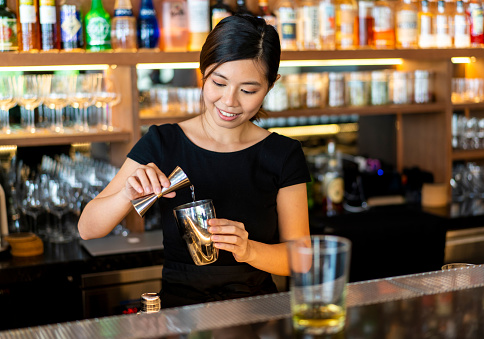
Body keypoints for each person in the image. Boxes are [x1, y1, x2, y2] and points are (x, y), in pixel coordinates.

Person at [78, 14, 311, 308]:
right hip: (179, 313)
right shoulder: (163, 142)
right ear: (202, 72)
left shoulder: (282, 154)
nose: (229, 101)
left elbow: (302, 259)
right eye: (219, 83)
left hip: (256, 315)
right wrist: (128, 194)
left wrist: (249, 249)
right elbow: (87, 228)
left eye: (248, 90)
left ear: (271, 84)